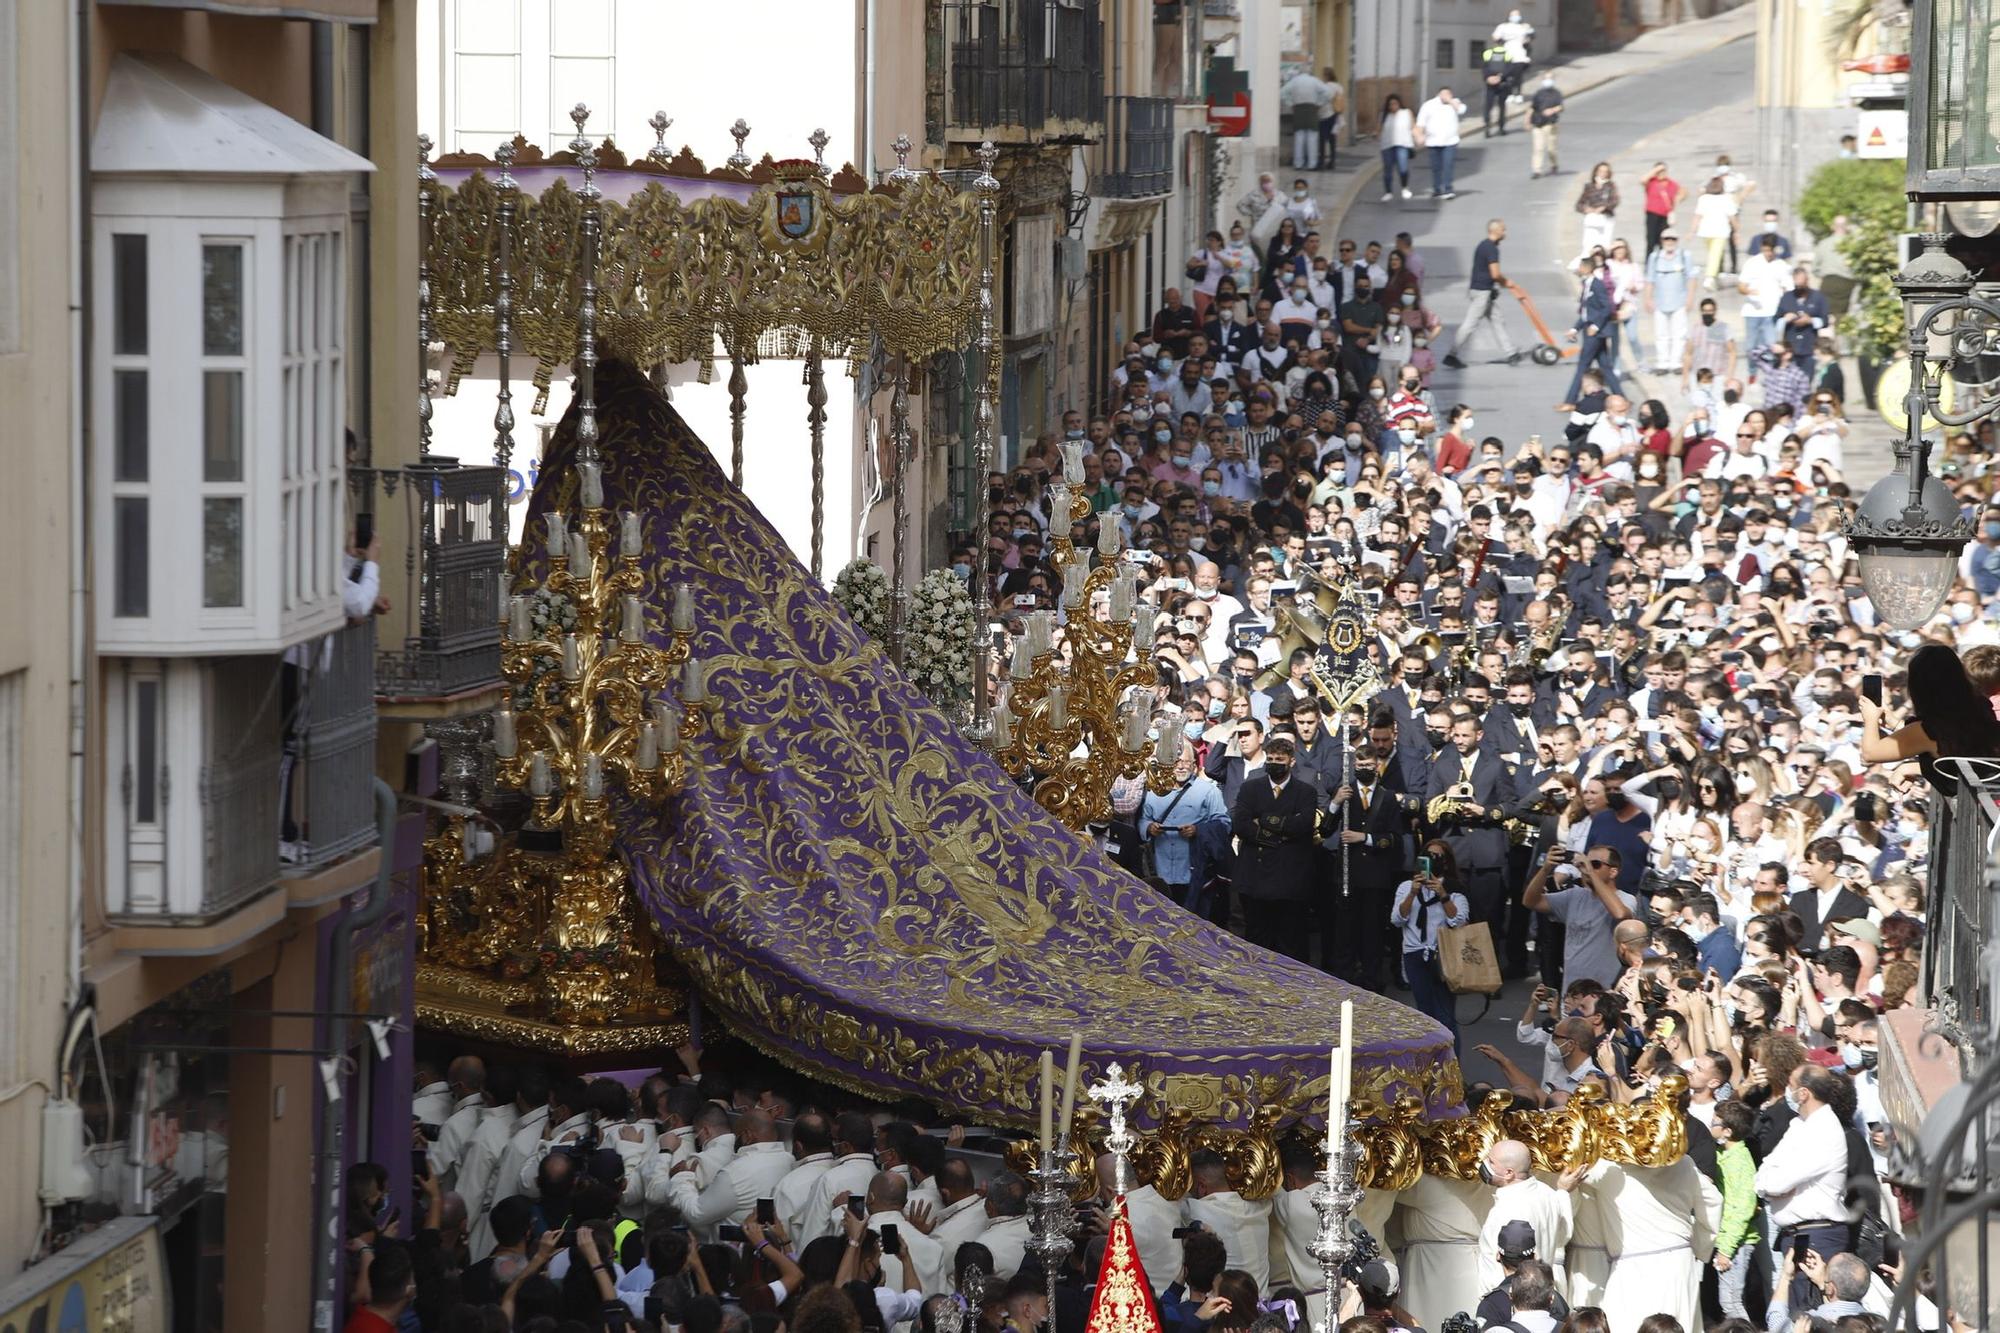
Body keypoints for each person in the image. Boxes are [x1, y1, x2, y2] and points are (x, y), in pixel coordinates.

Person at [1231, 733, 1322, 960]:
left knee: (1290, 941)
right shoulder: (1250, 788)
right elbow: (1240, 823)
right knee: (1258, 940)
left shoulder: (1306, 792)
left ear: (1291, 761)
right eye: (1270, 759)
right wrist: (1278, 836)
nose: (1274, 764)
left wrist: (1261, 819)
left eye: (1279, 760)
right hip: (1256, 878)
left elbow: (1303, 825)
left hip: (1290, 881)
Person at [1523, 843, 1636, 990]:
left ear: (1613, 872)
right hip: (1571, 991)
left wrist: (1591, 873)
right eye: (1586, 863)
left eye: (1595, 864)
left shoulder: (1626, 899)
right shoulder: (1574, 896)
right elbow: (1531, 901)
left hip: (1603, 993)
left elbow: (1620, 914)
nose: (1587, 868)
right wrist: (1546, 869)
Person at [1392, 837, 1471, 1044]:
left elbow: (1458, 922)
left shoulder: (1455, 889)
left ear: (1445, 862)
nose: (1432, 860)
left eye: (1437, 857)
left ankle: (1452, 1071)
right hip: (1414, 955)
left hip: (1443, 956)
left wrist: (1443, 894)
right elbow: (1397, 919)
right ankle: (1430, 1070)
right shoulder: (1406, 887)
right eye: (1428, 856)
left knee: (1446, 1018)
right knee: (1425, 1017)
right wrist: (1413, 893)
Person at [1478, 1140, 1573, 1292]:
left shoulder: (1507, 1210)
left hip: (1514, 1300)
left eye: (1491, 1162)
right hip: (1539, 1294)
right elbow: (1563, 1235)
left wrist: (1493, 1303)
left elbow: (1500, 1269)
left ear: (1509, 1173)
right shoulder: (1547, 1193)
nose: (1485, 1164)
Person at [1446, 219, 1525, 369]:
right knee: (1470, 324)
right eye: (1503, 229)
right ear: (1495, 230)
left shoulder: (1484, 245)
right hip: (1482, 292)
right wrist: (1507, 283)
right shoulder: (1491, 248)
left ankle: (1511, 353)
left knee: (1497, 320)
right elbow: (1495, 273)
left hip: (1483, 291)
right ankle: (1451, 354)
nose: (1505, 233)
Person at [1643, 232, 1699, 376]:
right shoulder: (1655, 257)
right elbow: (1650, 279)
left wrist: (1690, 298)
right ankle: (1662, 362)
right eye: (1667, 239)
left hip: (1679, 300)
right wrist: (1648, 298)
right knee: (1661, 333)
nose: (1670, 241)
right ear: (1662, 240)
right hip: (1660, 301)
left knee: (1679, 333)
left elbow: (1691, 278)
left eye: (1673, 238)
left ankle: (1676, 362)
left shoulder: (1684, 256)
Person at [1413, 88, 1465, 200]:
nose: (1446, 96)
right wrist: (1419, 135)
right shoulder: (1428, 105)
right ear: (1438, 94)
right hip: (1433, 141)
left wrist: (1451, 101)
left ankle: (1448, 189)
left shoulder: (1455, 102)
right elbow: (1421, 122)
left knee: (1448, 165)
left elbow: (1461, 110)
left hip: (1450, 141)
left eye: (1448, 94)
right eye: (1444, 94)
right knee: (1436, 167)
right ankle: (1437, 189)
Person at [1576, 164, 1618, 259]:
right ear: (1596, 172)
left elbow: (1615, 201)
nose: (1603, 174)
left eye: (1605, 172)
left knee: (1604, 245)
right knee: (1588, 245)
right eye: (1600, 171)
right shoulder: (1589, 186)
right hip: (1592, 220)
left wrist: (1604, 207)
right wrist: (1586, 209)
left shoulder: (1610, 186)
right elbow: (1579, 204)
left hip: (1606, 219)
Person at [1640, 163, 1682, 258]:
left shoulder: (1671, 184)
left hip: (1665, 216)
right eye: (1659, 171)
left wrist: (1676, 203)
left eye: (1663, 171)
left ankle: (1662, 261)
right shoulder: (1652, 182)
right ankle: (1650, 262)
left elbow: (1682, 193)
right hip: (1652, 214)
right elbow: (1642, 180)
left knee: (1663, 240)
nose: (1661, 173)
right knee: (1651, 241)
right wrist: (1655, 170)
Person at [1379, 94, 1416, 201]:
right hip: (1387, 145)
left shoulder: (1406, 113)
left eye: (1395, 103)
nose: (1393, 106)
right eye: (1390, 104)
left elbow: (1413, 127)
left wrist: (1418, 137)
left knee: (1403, 168)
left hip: (1403, 144)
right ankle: (1388, 192)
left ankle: (1405, 188)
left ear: (1399, 103)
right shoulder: (1384, 115)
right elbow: (1378, 129)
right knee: (1388, 170)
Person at [1528, 74, 1564, 178]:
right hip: (1538, 123)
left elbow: (1561, 106)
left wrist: (1552, 110)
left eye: (1550, 79)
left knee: (1551, 149)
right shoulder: (1538, 93)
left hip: (1550, 124)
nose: (1548, 81)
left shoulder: (1556, 93)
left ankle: (1554, 164)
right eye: (1546, 79)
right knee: (1538, 148)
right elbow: (1532, 107)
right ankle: (1536, 170)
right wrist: (1527, 120)